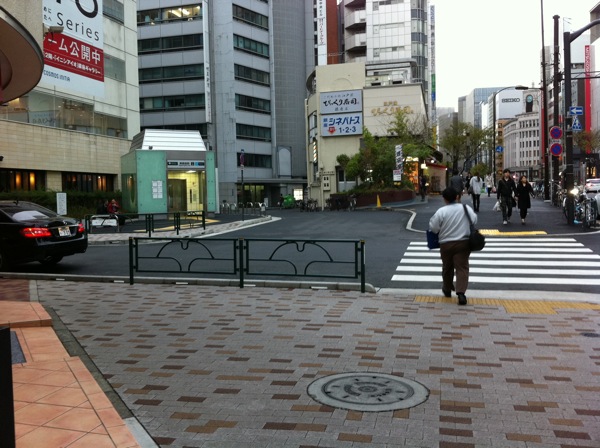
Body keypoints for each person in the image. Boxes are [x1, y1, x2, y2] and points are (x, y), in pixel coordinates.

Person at [428, 187, 477, 306]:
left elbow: (433, 228)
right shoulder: (466, 208)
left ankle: (447, 288)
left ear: (444, 199)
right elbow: (474, 220)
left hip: (446, 244)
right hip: (463, 243)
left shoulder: (441, 211)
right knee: (462, 268)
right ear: (457, 197)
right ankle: (461, 293)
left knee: (447, 267)